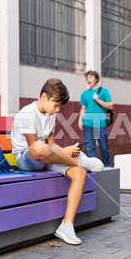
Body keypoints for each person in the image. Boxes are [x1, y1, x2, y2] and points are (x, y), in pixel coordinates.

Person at [12, 78, 104, 245]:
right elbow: (35, 148)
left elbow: (51, 145)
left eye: (60, 106)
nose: (57, 109)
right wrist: (66, 156)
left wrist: (66, 150)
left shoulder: (50, 115)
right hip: (27, 159)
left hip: (47, 157)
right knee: (39, 148)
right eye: (55, 104)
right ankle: (78, 160)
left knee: (80, 173)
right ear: (44, 97)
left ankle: (66, 226)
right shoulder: (27, 113)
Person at [78, 70, 113, 167]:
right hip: (88, 122)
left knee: (103, 146)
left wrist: (98, 100)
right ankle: (95, 166)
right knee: (90, 147)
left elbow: (110, 105)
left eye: (91, 77)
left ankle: (107, 166)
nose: (88, 79)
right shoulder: (84, 94)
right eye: (87, 77)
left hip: (99, 123)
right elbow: (83, 108)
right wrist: (80, 120)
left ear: (96, 79)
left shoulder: (103, 91)